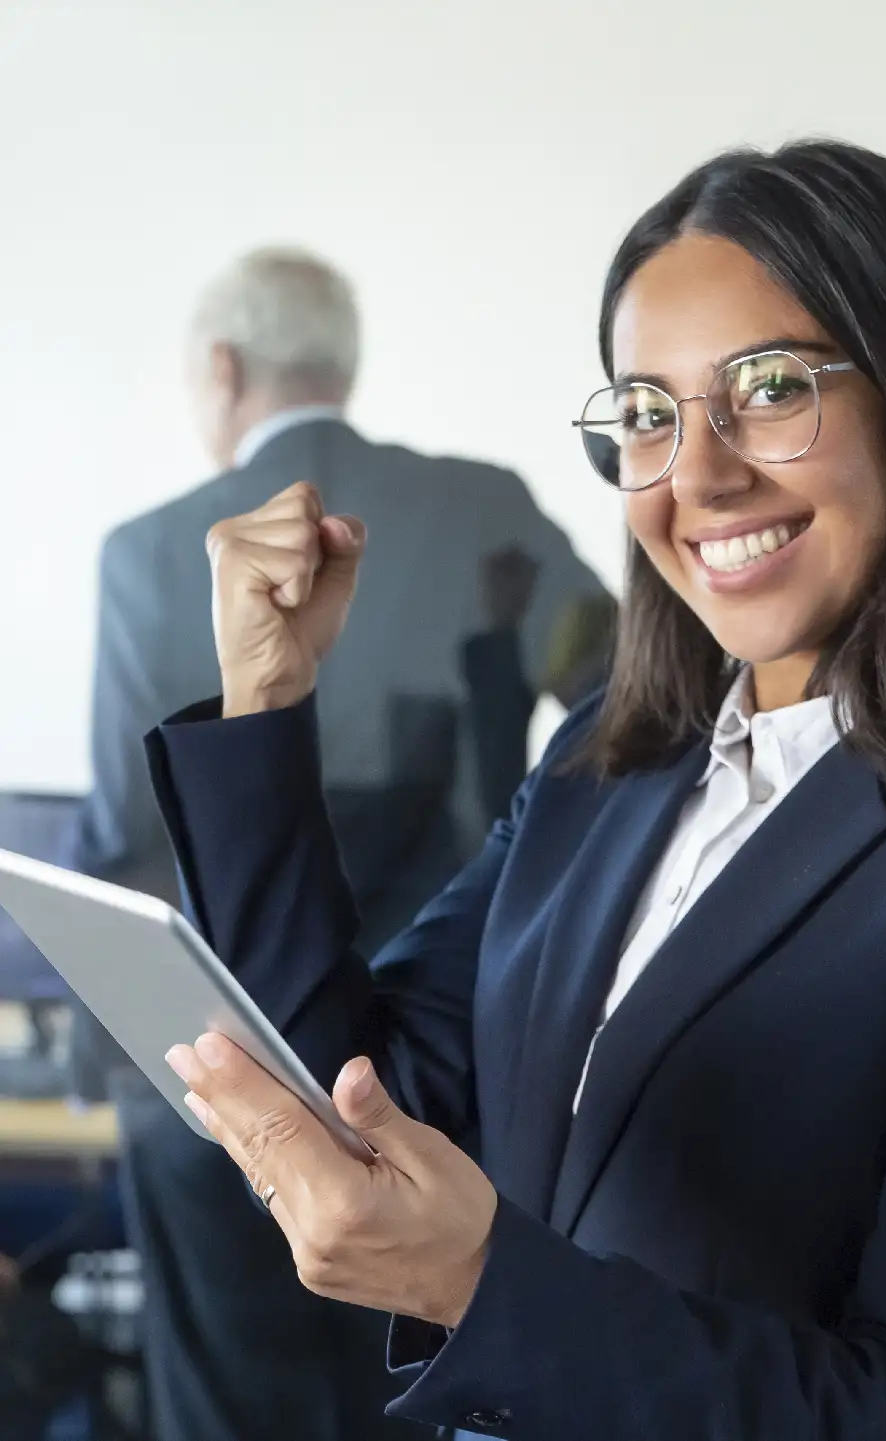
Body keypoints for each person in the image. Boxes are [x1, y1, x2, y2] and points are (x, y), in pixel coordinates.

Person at [146, 138, 886, 1441]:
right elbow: (356, 1088)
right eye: (648, 411)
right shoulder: (609, 762)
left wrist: (479, 1289)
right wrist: (266, 699)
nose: (698, 476)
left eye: (770, 387)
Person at [63, 247, 608, 1441]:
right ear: (338, 362)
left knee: (224, 1408)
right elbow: (628, 700)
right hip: (442, 1073)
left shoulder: (148, 550)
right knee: (426, 1393)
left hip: (210, 1076)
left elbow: (117, 828)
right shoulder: (487, 508)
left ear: (221, 368)